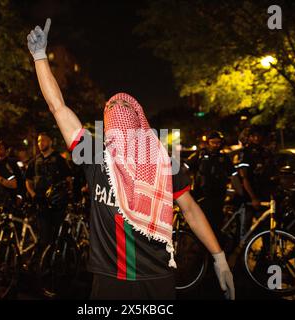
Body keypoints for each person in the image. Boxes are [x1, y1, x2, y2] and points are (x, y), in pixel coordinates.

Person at [27, 18, 234, 300]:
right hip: (111, 278)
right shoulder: (96, 154)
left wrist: (219, 257)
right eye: (114, 112)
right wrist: (40, 58)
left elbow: (190, 209)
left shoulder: (163, 161)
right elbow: (58, 107)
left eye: (124, 111)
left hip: (156, 276)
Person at [187, 131, 243, 239]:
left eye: (218, 143)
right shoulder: (200, 155)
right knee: (200, 227)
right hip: (201, 197)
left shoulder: (224, 158)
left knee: (216, 227)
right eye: (213, 142)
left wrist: (241, 193)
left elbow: (234, 176)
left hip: (218, 198)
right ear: (208, 142)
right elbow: (184, 168)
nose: (215, 145)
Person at [25, 132, 72, 249]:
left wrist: (65, 194)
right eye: (39, 141)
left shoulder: (60, 160)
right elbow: (28, 181)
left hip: (57, 204)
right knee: (44, 236)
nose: (41, 143)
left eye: (44, 140)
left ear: (50, 142)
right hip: (41, 203)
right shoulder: (34, 162)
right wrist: (33, 194)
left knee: (58, 235)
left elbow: (68, 179)